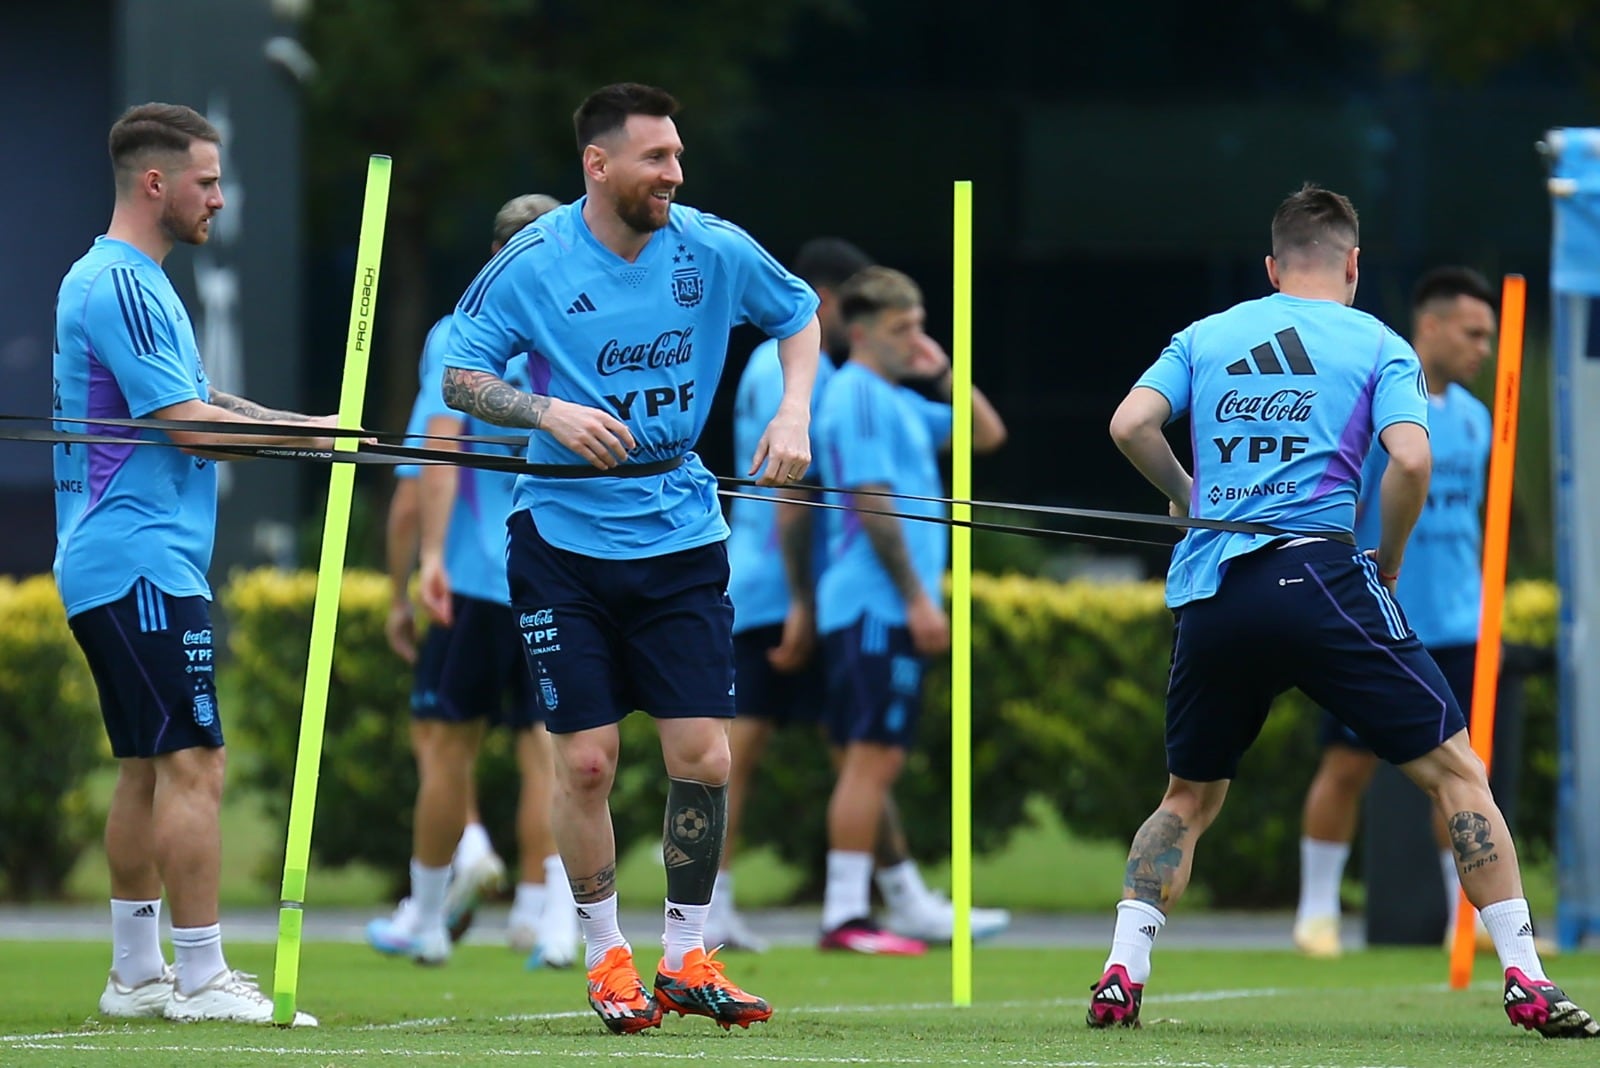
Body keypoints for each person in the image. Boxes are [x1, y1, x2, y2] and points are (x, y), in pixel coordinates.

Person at [1088, 183, 1596, 1039]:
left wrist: (1188, 495)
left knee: (1187, 798)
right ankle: (1527, 979)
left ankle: (1120, 971)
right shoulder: (1377, 343)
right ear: (1353, 263)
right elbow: (1409, 463)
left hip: (1215, 591)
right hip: (1320, 577)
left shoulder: (1206, 336)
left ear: (1271, 265)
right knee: (1456, 770)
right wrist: (1387, 561)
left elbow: (1131, 422)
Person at [440, 83, 819, 1035]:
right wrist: (547, 412)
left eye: (679, 156)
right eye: (657, 158)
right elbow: (459, 373)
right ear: (597, 164)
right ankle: (607, 955)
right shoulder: (531, 261)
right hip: (561, 542)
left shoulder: (712, 246)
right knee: (590, 766)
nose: (675, 174)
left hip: (682, 530)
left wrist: (791, 409)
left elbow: (798, 315)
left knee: (704, 757)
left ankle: (687, 957)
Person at [54, 102, 332, 1026]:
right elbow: (187, 425)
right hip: (137, 561)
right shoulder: (121, 284)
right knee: (195, 764)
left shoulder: (140, 282)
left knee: (145, 767)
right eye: (208, 181)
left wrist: (316, 429)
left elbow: (203, 397)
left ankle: (137, 976)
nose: (220, 196)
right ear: (155, 183)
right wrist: (305, 449)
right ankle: (203, 977)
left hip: (128, 558)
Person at [368, 194, 580, 969]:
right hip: (558, 574)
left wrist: (421, 567)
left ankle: (425, 919)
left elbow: (436, 449)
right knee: (552, 754)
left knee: (444, 747)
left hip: (475, 579)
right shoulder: (578, 326)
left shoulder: (462, 331)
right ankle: (550, 916)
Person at [1293, 266, 1500, 959]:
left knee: (1462, 774)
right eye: (1473, 333)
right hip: (1376, 622)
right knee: (1347, 765)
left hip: (1458, 626)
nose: (1483, 348)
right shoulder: (1377, 403)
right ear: (1431, 326)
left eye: (1490, 336)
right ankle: (1316, 913)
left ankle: (1462, 921)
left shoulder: (1476, 419)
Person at [811, 266, 1008, 954]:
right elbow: (872, 502)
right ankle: (844, 917)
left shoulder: (894, 399)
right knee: (872, 761)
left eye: (921, 325)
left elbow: (985, 435)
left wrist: (946, 370)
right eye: (903, 329)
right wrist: (919, 601)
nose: (915, 339)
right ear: (861, 332)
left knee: (871, 760)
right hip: (874, 605)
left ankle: (887, 903)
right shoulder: (858, 396)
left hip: (877, 606)